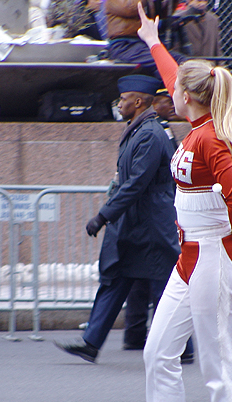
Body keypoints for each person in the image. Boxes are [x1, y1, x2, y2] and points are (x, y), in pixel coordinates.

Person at [122, 4, 232, 402]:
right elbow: (176, 77)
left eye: (174, 89)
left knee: (219, 370)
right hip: (193, 259)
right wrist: (152, 41)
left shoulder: (208, 140)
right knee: (158, 352)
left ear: (188, 97)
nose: (168, 91)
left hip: (214, 259)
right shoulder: (199, 128)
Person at [55, 74, 181, 363]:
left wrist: (103, 216)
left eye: (123, 99)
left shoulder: (150, 134)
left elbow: (136, 184)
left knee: (164, 287)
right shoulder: (138, 130)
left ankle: (182, 348)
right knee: (115, 278)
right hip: (134, 224)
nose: (119, 104)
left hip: (152, 226)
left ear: (138, 102)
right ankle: (91, 342)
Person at [123, 87, 194, 363]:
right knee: (142, 277)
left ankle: (181, 346)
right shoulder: (148, 129)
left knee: (165, 279)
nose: (171, 105)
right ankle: (135, 334)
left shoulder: (157, 131)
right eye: (166, 101)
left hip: (159, 214)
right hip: (149, 216)